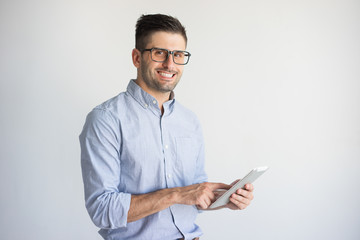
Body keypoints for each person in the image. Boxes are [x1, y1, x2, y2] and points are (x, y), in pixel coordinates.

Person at [79, 13, 254, 240]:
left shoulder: (189, 121)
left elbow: (193, 199)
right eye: (159, 53)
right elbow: (101, 209)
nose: (170, 64)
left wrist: (226, 198)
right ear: (137, 57)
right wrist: (178, 194)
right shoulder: (105, 120)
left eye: (178, 54)